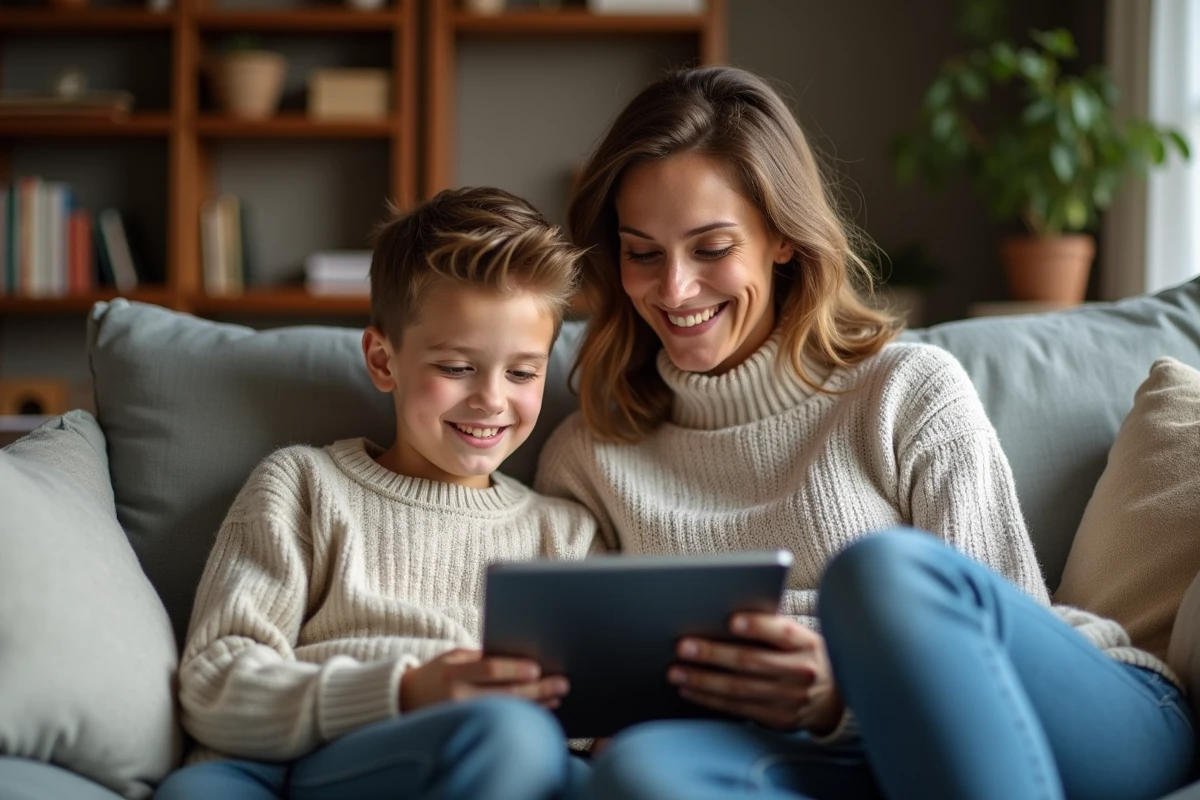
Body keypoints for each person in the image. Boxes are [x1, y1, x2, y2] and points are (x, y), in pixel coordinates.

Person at [536, 66, 1195, 800]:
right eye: (643, 253)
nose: (675, 288)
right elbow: (583, 692)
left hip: (1073, 712)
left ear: (782, 238)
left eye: (712, 248)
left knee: (880, 573)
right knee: (641, 771)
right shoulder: (589, 457)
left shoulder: (907, 390)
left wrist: (838, 690)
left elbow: (993, 646)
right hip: (827, 753)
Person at [155, 187, 598, 800]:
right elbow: (214, 686)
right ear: (384, 361)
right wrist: (404, 691)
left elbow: (593, 720)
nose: (492, 400)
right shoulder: (303, 486)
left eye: (522, 372)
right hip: (300, 763)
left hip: (489, 761)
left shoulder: (566, 534)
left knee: (530, 747)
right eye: (456, 368)